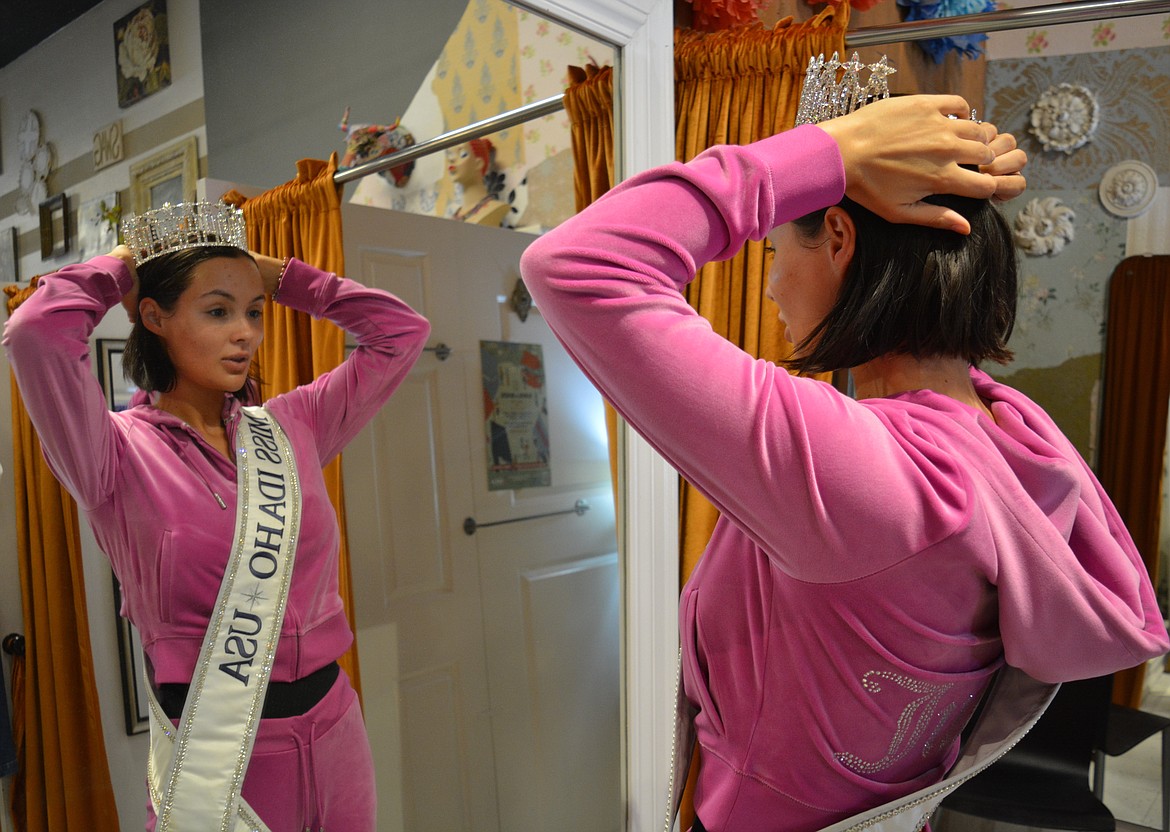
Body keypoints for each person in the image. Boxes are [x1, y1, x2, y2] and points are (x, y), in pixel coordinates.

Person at [519, 91, 1169, 832]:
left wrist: (831, 153)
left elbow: (575, 265)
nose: (766, 287)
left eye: (772, 251)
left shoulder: (861, 471)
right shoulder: (1012, 443)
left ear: (836, 237)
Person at [3, 200, 430, 832]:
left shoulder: (293, 427)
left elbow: (401, 331)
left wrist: (281, 276)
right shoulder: (113, 453)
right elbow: (34, 332)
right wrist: (126, 268)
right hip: (219, 759)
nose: (247, 334)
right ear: (155, 317)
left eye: (253, 312)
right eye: (217, 311)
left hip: (336, 728)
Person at [446, 138, 510, 226]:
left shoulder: (493, 208)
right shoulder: (457, 215)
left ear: (478, 163)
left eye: (463, 154)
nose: (451, 160)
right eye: (451, 155)